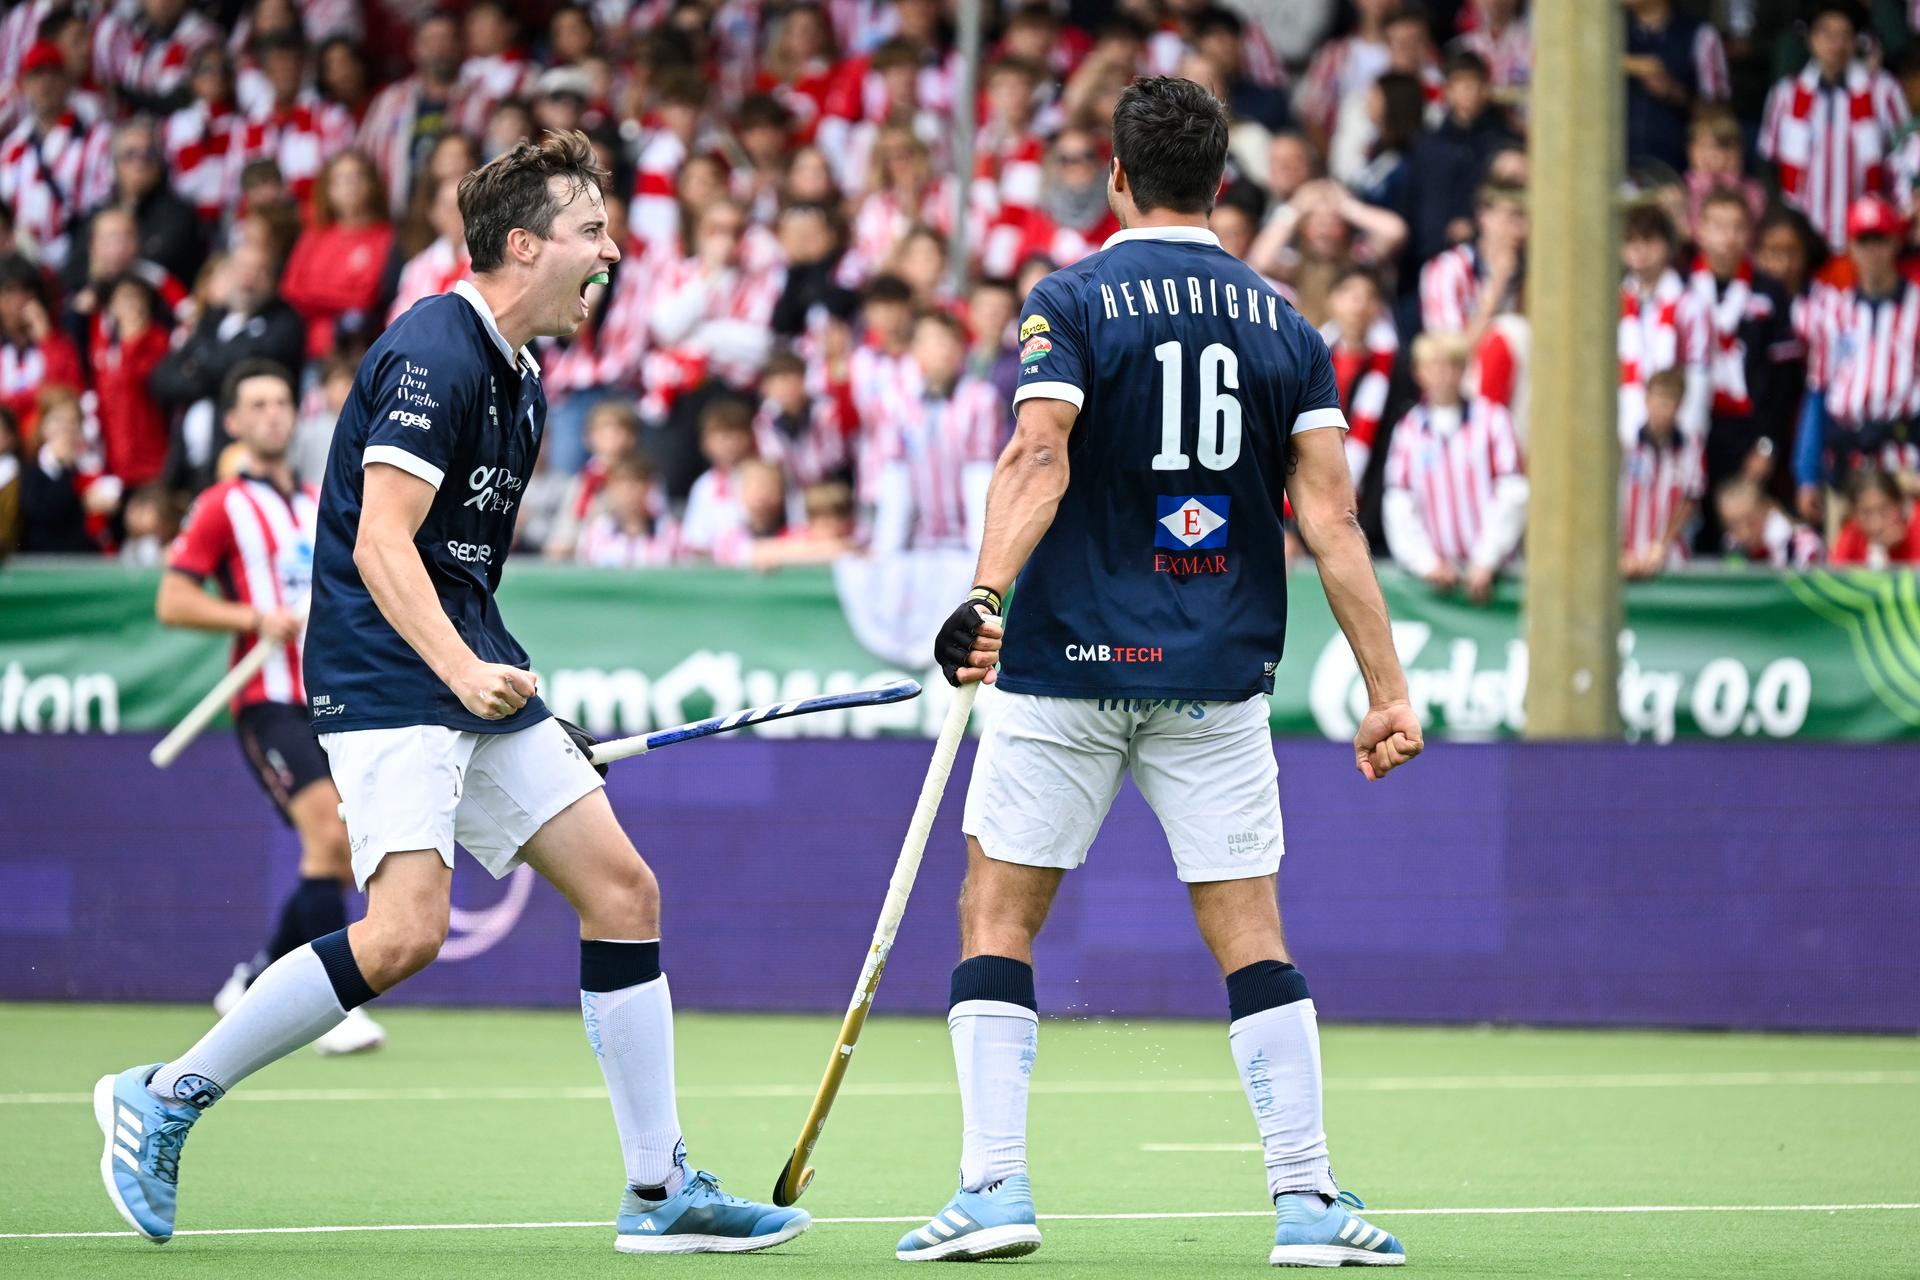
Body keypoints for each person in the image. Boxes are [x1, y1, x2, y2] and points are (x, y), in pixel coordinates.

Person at [92, 131, 810, 1256]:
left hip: (462, 664)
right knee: (402, 934)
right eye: (590, 232)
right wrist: (464, 671)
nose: (611, 251)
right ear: (522, 244)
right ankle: (167, 1091)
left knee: (624, 890)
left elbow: (460, 569)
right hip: (387, 672)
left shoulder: (524, 378)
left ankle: (660, 1190)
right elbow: (383, 544)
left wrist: (512, 687)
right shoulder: (438, 348)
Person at [911, 77, 1421, 1269]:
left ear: (1117, 178)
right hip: (1215, 674)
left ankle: (993, 1189)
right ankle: (1307, 1203)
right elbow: (1334, 524)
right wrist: (1386, 687)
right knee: (1251, 932)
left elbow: (1039, 453)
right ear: (1224, 185)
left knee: (997, 913)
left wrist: (983, 597)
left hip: (1065, 666)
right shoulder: (1291, 324)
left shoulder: (1071, 296)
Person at [155, 358, 385, 1056]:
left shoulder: (321, 498)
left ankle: (255, 977)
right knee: (330, 839)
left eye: (282, 402)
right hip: (268, 702)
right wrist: (254, 618)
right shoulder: (224, 504)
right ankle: (331, 1007)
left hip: (334, 700)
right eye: (256, 405)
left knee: (340, 854)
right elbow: (173, 600)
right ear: (233, 421)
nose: (273, 415)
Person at [1382, 331, 1529, 603]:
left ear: (1463, 369)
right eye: (1433, 367)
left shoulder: (1493, 420)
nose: (1442, 375)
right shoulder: (1409, 429)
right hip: (1438, 582)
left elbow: (1513, 492)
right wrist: (1425, 562)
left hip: (1497, 577)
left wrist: (1487, 558)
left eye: (1451, 365)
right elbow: (1398, 502)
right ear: (1419, 373)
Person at [1758, 0, 1908, 252]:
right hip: (1803, 238)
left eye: (1844, 34)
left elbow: (1906, 158)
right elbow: (1768, 163)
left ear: (1855, 41)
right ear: (1811, 39)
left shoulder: (1883, 91)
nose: (1835, 43)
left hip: (1865, 237)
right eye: (1826, 32)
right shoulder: (1785, 93)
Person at [1620, 367, 1704, 578]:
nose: (1663, 411)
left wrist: (1662, 545)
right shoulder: (1626, 444)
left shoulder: (1690, 447)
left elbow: (1690, 498)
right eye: (1658, 402)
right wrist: (1619, 549)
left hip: (1669, 557)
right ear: (1647, 401)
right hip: (1624, 556)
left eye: (1669, 403)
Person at [1829, 468, 1920, 565]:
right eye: (1866, 513)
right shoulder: (1852, 533)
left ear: (1900, 504)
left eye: (1884, 510)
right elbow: (1835, 574)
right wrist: (1877, 549)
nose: (1877, 524)